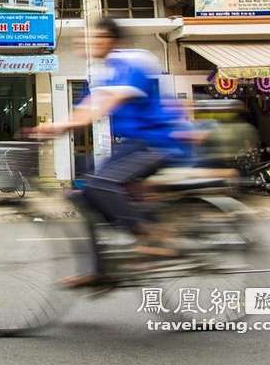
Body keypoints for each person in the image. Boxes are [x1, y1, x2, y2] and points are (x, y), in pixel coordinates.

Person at [33, 17, 192, 288]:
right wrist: (56, 127)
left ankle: (150, 236)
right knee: (83, 196)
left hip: (157, 141)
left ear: (110, 40)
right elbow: (87, 107)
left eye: (95, 38)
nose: (88, 43)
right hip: (131, 144)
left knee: (101, 185)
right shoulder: (103, 72)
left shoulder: (132, 62)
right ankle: (99, 270)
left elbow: (106, 103)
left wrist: (61, 125)